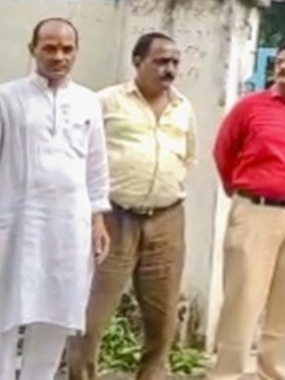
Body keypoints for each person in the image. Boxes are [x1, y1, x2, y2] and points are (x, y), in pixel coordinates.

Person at [0, 17, 111, 379]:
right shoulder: (5, 98)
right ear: (32, 50)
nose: (58, 56)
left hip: (68, 230)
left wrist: (98, 220)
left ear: (76, 52)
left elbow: (96, 167)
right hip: (11, 227)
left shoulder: (88, 102)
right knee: (0, 320)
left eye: (67, 49)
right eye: (49, 48)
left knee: (55, 321)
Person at [66, 32, 197, 380]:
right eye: (161, 61)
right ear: (137, 62)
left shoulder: (183, 107)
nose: (169, 69)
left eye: (175, 62)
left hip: (167, 219)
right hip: (113, 218)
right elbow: (78, 155)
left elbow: (189, 157)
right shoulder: (106, 102)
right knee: (90, 318)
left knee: (162, 320)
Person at [210, 42, 285, 380]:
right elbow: (223, 152)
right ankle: (226, 375)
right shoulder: (249, 107)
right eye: (279, 62)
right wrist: (242, 193)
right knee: (243, 301)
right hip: (256, 211)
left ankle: (273, 373)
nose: (283, 67)